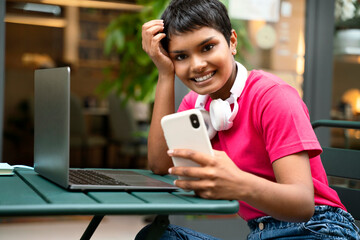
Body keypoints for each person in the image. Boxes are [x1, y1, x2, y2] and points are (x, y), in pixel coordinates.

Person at [137, 0, 360, 239]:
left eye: (207, 47)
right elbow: (161, 164)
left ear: (232, 42)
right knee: (155, 236)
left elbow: (303, 205)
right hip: (261, 233)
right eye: (181, 56)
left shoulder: (273, 96)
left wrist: (239, 182)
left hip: (318, 229)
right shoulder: (196, 105)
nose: (197, 65)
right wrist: (164, 72)